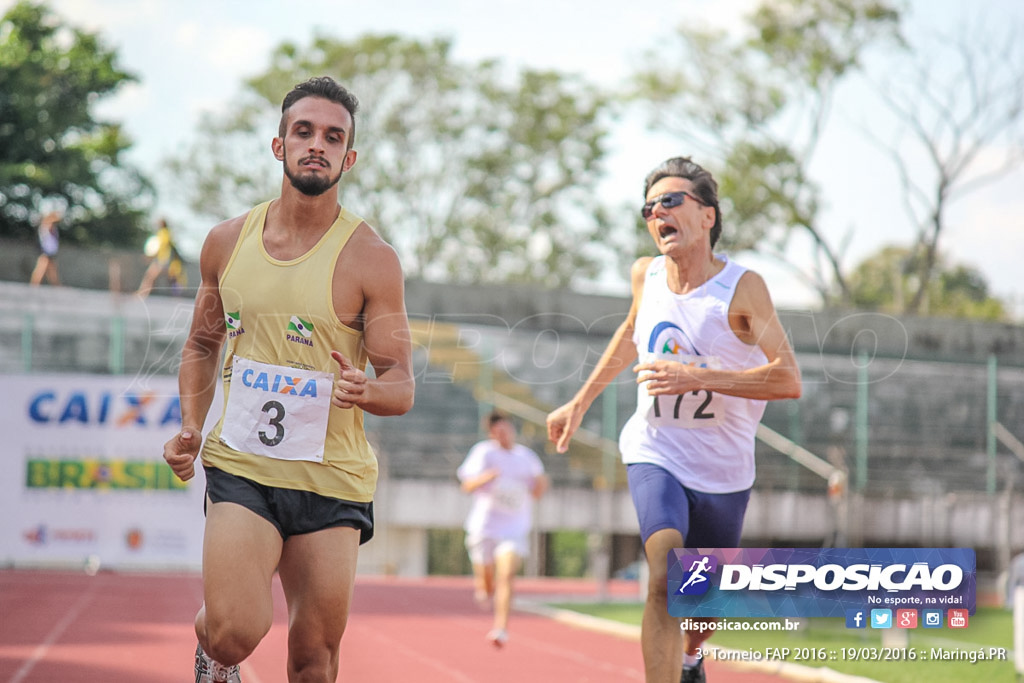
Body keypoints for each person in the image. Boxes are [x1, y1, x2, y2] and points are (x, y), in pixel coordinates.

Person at [162, 76, 414, 683]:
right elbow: (201, 344)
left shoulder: (371, 258)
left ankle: (696, 641)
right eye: (303, 132)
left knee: (313, 661)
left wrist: (367, 390)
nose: (316, 146)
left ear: (348, 159)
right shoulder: (226, 242)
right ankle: (210, 649)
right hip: (242, 466)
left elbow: (400, 383)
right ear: (279, 145)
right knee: (231, 634)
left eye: (333, 137)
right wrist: (191, 426)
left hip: (332, 480)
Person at [546, 156, 802, 683]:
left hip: (724, 471)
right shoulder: (647, 274)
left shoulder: (741, 289)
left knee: (701, 599)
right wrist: (580, 401)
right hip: (655, 451)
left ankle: (691, 657)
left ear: (708, 215)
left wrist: (700, 378)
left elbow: (788, 379)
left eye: (670, 200)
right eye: (648, 207)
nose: (656, 212)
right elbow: (631, 330)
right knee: (664, 577)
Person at [457, 411, 548, 647]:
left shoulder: (526, 457)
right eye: (499, 432)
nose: (505, 435)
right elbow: (466, 486)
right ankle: (485, 587)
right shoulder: (484, 452)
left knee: (506, 575)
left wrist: (540, 485)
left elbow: (538, 489)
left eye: (508, 430)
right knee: (487, 583)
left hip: (514, 528)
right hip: (485, 527)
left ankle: (501, 629)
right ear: (492, 433)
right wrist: (487, 477)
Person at [137, 218, 187, 297]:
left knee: (151, 276)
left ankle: (142, 293)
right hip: (164, 261)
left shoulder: (163, 234)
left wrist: (150, 257)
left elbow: (161, 248)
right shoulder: (167, 234)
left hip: (163, 261)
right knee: (159, 278)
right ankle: (143, 293)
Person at [29, 211, 62, 286]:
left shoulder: (51, 228)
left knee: (51, 269)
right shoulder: (46, 227)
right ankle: (35, 284)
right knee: (41, 269)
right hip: (46, 251)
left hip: (50, 251)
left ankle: (56, 284)